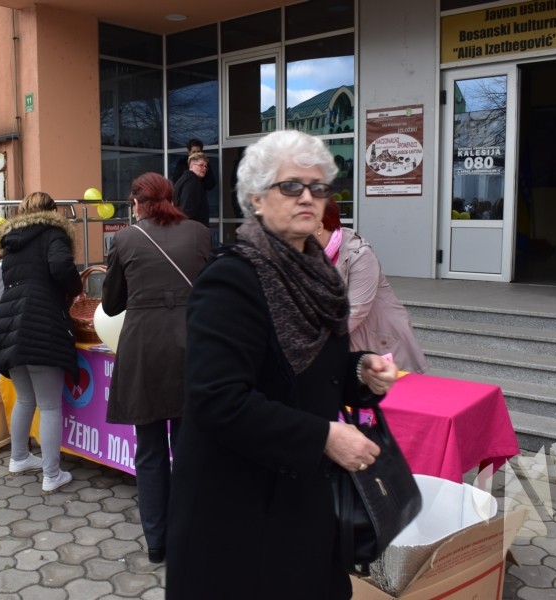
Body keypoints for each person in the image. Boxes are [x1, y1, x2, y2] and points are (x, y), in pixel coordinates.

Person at [166, 130, 398, 599]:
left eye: (318, 187)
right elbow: (217, 399)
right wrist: (323, 437)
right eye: (291, 186)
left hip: (299, 499)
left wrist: (360, 371)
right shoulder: (230, 279)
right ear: (256, 197)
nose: (307, 197)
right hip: (238, 510)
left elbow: (308, 372)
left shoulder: (318, 273)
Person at [102, 172, 211, 564]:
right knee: (187, 448)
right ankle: (190, 535)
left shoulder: (125, 239)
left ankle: (157, 543)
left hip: (144, 349)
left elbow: (111, 304)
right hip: (191, 347)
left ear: (137, 203)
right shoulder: (199, 233)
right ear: (171, 198)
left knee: (149, 452)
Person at [0, 192, 81, 494]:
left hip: (9, 322)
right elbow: (61, 266)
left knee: (26, 398)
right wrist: (75, 287)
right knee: (50, 405)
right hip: (41, 320)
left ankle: (19, 458)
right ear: (52, 211)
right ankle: (51, 474)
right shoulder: (53, 233)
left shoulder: (12, 241)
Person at [316, 200, 429, 373]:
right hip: (343, 342)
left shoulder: (359, 255)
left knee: (385, 387)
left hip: (379, 341)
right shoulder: (309, 256)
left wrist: (312, 340)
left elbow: (356, 310)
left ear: (318, 226)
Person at [172, 151, 211, 227]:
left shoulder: (183, 179)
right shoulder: (193, 181)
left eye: (206, 166)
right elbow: (187, 209)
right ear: (191, 166)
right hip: (193, 228)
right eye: (201, 165)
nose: (204, 168)